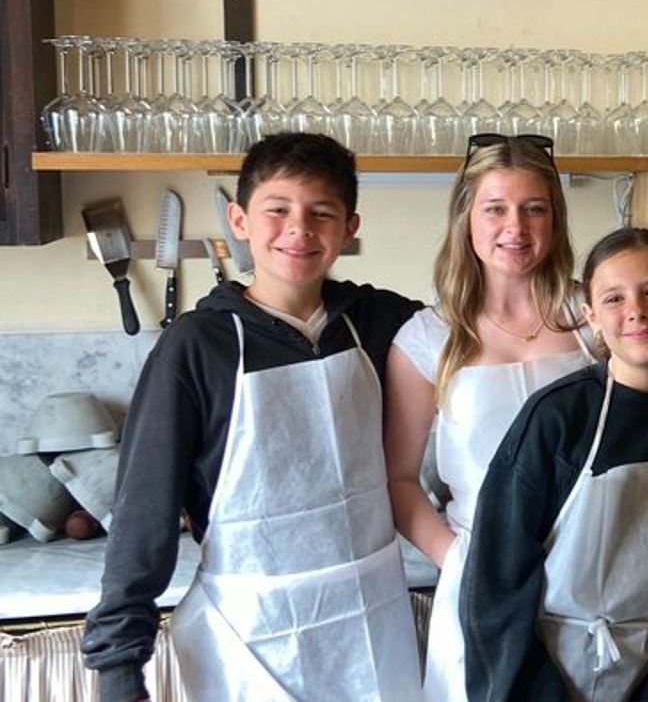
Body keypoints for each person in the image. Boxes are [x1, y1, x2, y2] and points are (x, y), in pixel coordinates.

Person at [82, 132, 424, 701]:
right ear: (239, 220)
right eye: (278, 210)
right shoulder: (198, 346)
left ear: (349, 229)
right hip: (249, 639)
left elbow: (487, 322)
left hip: (371, 623)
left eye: (322, 213)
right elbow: (145, 510)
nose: (299, 229)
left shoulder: (378, 322)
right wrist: (119, 670)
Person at [460, 227, 648, 701]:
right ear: (592, 317)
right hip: (536, 675)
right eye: (614, 298)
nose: (636, 310)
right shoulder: (555, 417)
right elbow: (496, 585)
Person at [384, 133, 596, 701]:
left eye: (534, 209)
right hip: (480, 580)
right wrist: (458, 561)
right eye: (495, 209)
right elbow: (398, 480)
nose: (516, 228)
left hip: (590, 568)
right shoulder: (428, 338)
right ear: (466, 219)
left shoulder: (595, 315)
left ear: (556, 219)